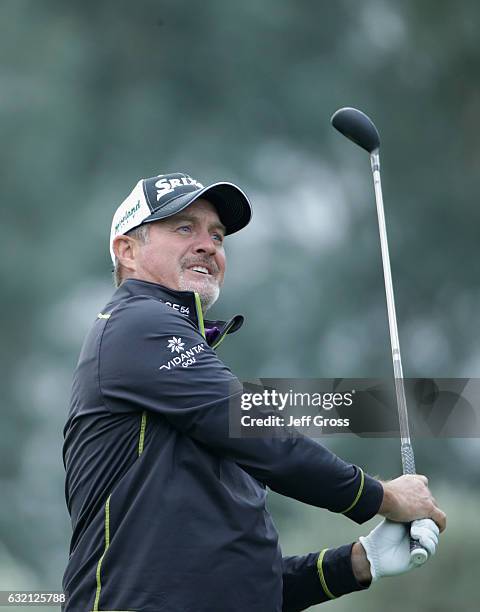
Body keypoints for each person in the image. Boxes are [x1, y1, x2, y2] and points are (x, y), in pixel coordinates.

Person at [62, 172, 446, 612]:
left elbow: (242, 585)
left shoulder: (185, 380)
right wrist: (384, 496)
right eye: (185, 228)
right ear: (127, 251)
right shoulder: (135, 324)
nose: (209, 245)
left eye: (218, 235)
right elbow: (261, 433)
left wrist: (360, 562)